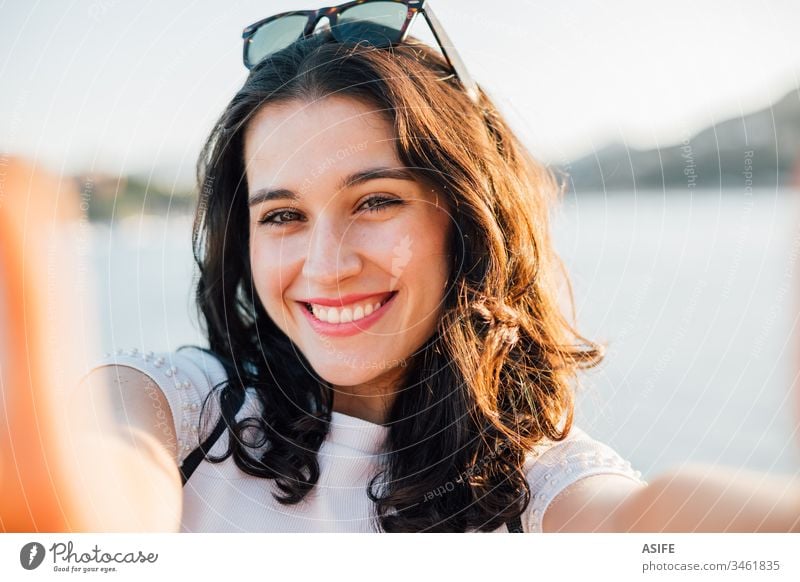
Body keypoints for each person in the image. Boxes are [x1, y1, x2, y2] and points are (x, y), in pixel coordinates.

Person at [75, 1, 799, 533]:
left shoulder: (538, 493)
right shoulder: (176, 410)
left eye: (375, 201)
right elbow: (97, 490)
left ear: (465, 218)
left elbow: (653, 523)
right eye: (283, 215)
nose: (326, 266)